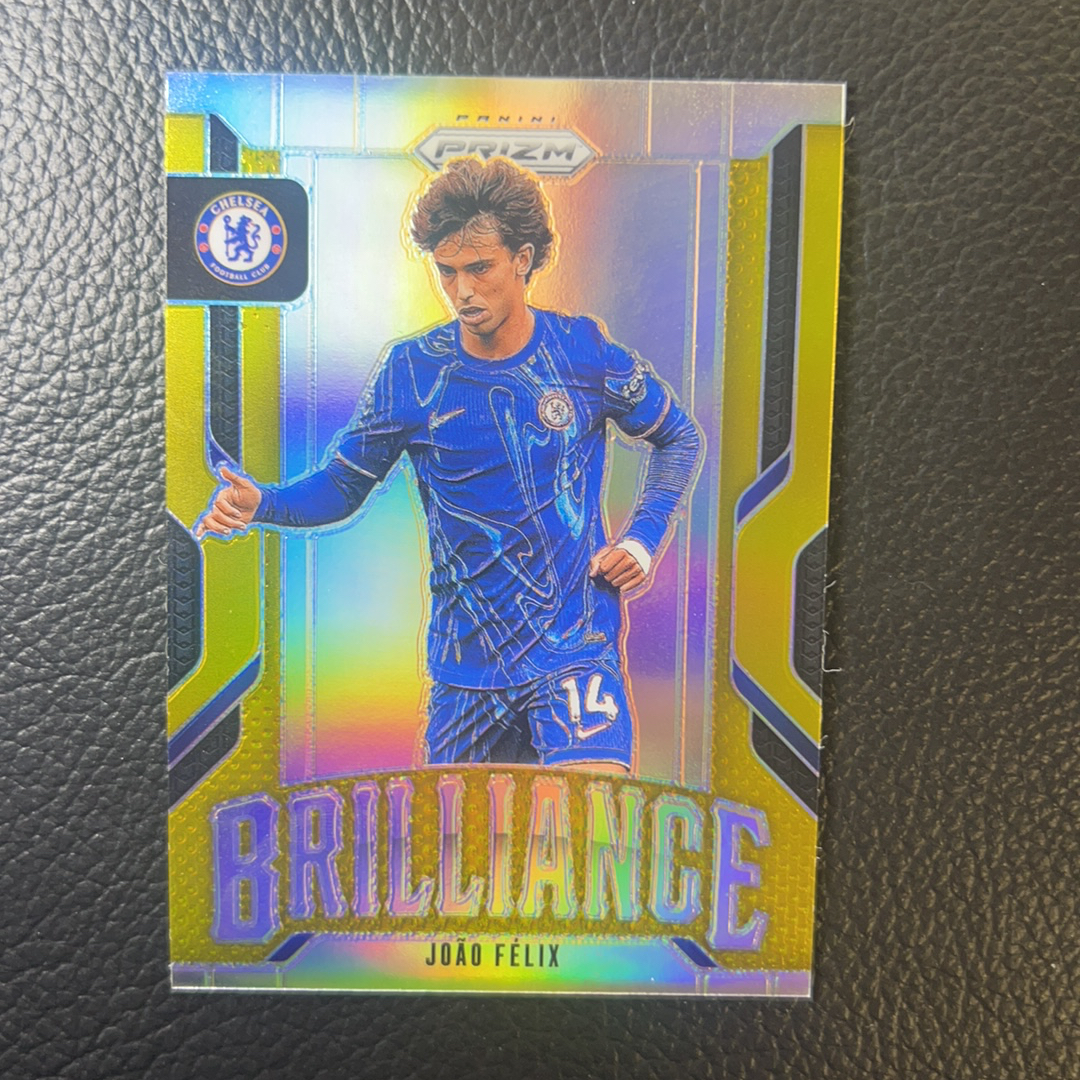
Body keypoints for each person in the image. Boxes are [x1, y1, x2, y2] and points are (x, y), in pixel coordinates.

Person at [197, 156, 702, 773]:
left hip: (574, 650)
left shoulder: (581, 351)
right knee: (460, 838)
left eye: (480, 268)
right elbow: (342, 487)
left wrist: (643, 540)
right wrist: (265, 503)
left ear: (522, 259)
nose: (463, 291)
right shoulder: (411, 371)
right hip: (465, 669)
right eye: (447, 271)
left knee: (588, 820)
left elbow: (678, 437)